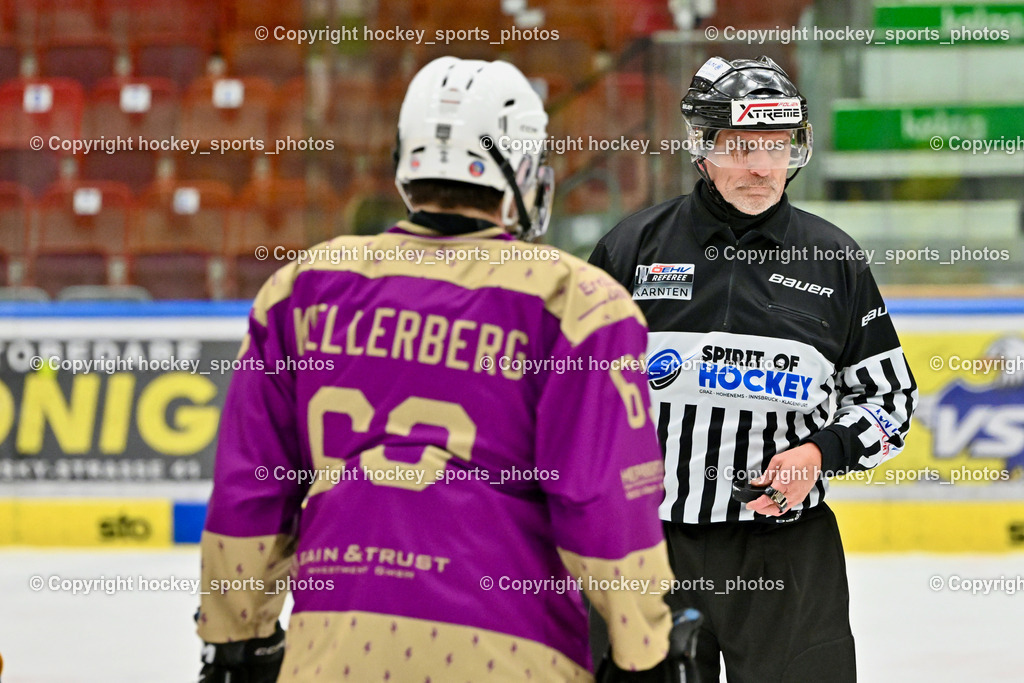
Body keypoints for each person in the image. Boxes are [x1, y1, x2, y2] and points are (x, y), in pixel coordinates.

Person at [195, 56, 688, 683]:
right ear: (524, 166)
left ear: (408, 158)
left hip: (332, 652)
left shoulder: (303, 286)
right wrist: (643, 648)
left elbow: (251, 489)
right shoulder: (577, 303)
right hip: (511, 653)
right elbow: (602, 501)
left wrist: (238, 639)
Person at [588, 56, 918, 682]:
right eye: (740, 146)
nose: (762, 168)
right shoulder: (631, 249)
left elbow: (891, 400)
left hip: (787, 553)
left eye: (777, 145)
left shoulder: (834, 261)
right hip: (646, 547)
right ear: (701, 147)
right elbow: (572, 396)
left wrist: (819, 454)